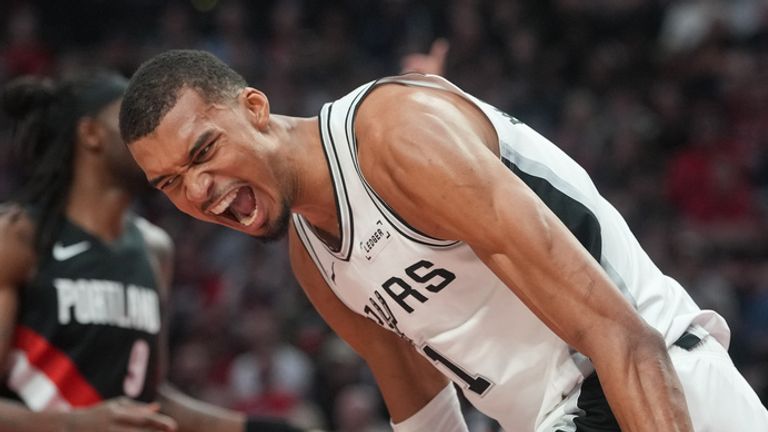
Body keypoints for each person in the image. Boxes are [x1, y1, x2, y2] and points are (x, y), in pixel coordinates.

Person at [118, 49, 768, 432]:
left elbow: (623, 336)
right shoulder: (313, 260)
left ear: (255, 109)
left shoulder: (397, 141)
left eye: (205, 151)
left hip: (649, 393)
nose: (197, 191)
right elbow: (426, 419)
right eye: (170, 182)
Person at [0, 71, 305, 432]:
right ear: (91, 134)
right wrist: (73, 425)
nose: (149, 131)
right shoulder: (17, 237)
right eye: (127, 120)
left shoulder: (154, 248)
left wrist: (265, 429)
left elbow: (150, 401)